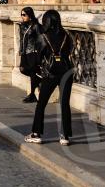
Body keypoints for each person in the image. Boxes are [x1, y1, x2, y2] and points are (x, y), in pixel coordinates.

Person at [25, 9, 73, 146]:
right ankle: (65, 136)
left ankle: (36, 134)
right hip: (66, 71)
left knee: (42, 104)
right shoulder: (67, 35)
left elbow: (39, 56)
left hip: (50, 73)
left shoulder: (43, 36)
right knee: (65, 104)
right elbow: (70, 50)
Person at [18, 7, 41, 103]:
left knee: (32, 72)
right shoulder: (22, 26)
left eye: (24, 15)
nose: (22, 17)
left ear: (30, 15)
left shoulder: (36, 26)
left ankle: (32, 95)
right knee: (22, 69)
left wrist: (38, 52)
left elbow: (41, 40)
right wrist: (20, 50)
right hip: (24, 52)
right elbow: (21, 39)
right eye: (21, 15)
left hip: (33, 52)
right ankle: (39, 81)